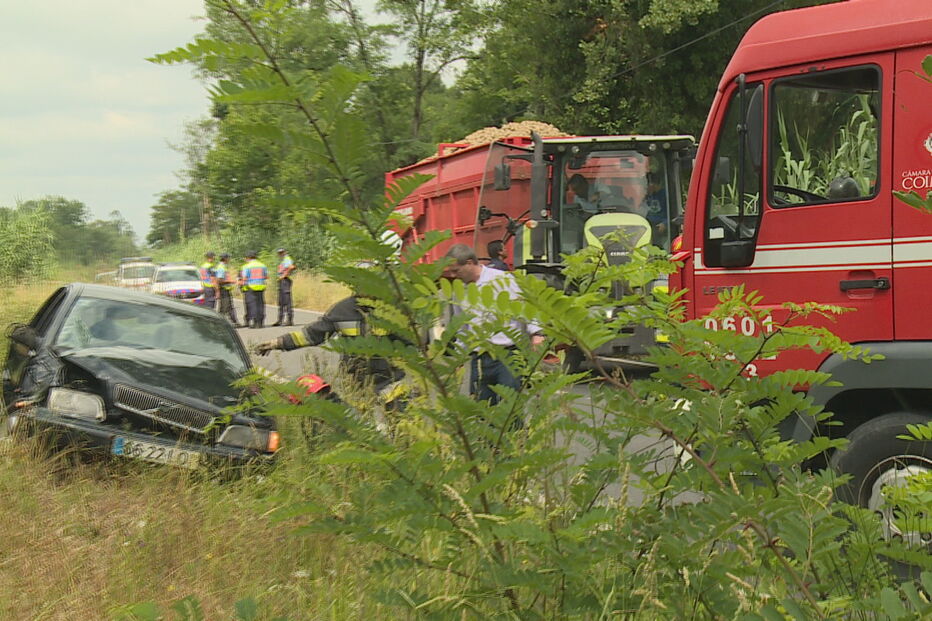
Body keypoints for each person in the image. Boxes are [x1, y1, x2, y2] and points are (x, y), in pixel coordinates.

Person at [441, 243, 544, 407]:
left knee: (510, 407)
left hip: (507, 355)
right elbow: (462, 327)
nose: (453, 276)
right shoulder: (459, 293)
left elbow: (525, 308)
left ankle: (515, 433)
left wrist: (537, 334)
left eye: (456, 270)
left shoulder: (502, 280)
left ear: (469, 263)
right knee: (482, 408)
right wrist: (459, 356)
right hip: (480, 358)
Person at [256, 294, 404, 393]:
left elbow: (413, 343)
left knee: (400, 422)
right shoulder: (342, 310)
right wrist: (277, 343)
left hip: (392, 378)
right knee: (359, 427)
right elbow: (312, 334)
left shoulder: (393, 310)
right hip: (357, 380)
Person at [239, 250, 268, 328]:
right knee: (260, 304)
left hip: (251, 287)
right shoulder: (262, 265)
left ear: (248, 257)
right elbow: (266, 276)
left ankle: (256, 323)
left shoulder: (247, 266)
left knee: (253, 305)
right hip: (261, 287)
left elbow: (244, 278)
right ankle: (261, 322)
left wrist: (241, 283)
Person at [272, 247, 296, 326]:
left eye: (282, 252)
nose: (280, 254)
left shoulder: (287, 259)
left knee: (287, 301)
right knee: (281, 301)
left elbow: (292, 267)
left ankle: (289, 320)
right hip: (282, 281)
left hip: (285, 281)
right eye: (279, 253)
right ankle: (280, 320)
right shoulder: (283, 260)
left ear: (285, 252)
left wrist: (284, 275)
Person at [215, 253, 240, 326]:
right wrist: (231, 281)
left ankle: (234, 322)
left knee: (228, 307)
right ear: (225, 258)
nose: (229, 259)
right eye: (228, 258)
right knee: (225, 307)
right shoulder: (221, 267)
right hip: (223, 290)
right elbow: (219, 280)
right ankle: (219, 323)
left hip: (226, 289)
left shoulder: (223, 266)